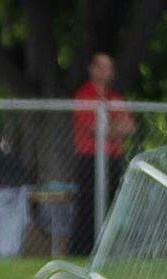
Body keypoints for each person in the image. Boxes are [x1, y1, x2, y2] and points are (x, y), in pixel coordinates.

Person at [70, 53, 135, 255]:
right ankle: (83, 252)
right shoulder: (84, 96)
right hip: (90, 160)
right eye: (103, 67)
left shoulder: (115, 98)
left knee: (111, 207)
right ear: (93, 69)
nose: (107, 72)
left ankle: (107, 252)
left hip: (113, 159)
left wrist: (110, 129)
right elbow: (95, 129)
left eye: (110, 67)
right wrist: (114, 129)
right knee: (88, 208)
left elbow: (130, 128)